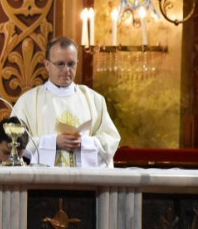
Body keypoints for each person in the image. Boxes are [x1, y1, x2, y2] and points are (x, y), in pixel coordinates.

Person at [12, 37, 120, 167]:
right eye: (60, 64)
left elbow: (110, 141)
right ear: (47, 65)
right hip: (43, 179)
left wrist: (84, 143)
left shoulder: (94, 100)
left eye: (71, 64)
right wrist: (53, 142)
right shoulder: (27, 102)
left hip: (84, 178)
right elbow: (15, 143)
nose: (66, 70)